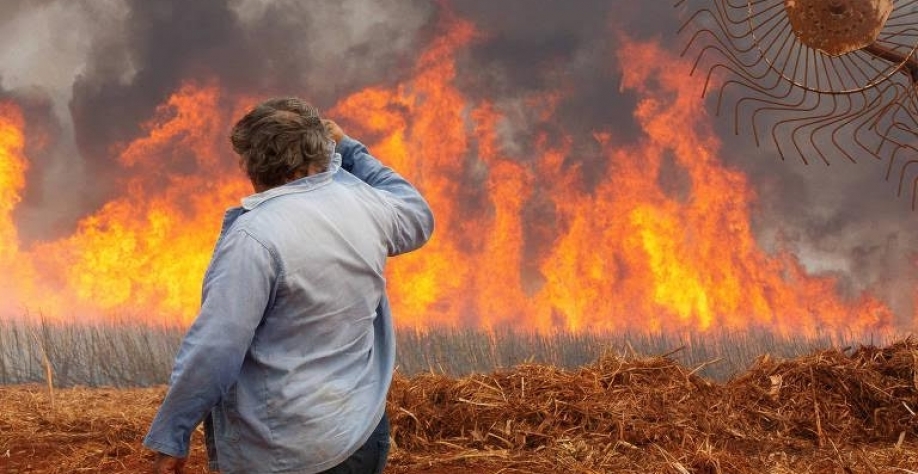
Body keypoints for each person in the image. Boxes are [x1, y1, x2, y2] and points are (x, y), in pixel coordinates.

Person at [142, 97, 434, 474]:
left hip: (286, 452)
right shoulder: (366, 205)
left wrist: (172, 434)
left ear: (251, 164)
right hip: (360, 437)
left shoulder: (255, 237)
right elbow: (417, 212)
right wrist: (349, 150)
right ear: (318, 154)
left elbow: (216, 348)